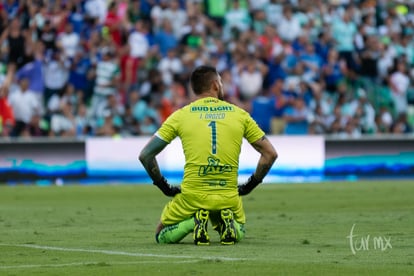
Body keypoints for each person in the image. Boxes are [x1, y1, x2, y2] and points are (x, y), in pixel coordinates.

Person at [139, 65, 277, 246]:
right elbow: (270, 154)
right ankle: (227, 224)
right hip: (228, 195)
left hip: (192, 195)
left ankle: (193, 222)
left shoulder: (181, 116)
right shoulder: (240, 115)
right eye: (221, 81)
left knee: (161, 234)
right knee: (239, 230)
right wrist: (250, 185)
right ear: (215, 85)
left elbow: (146, 155)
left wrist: (163, 186)